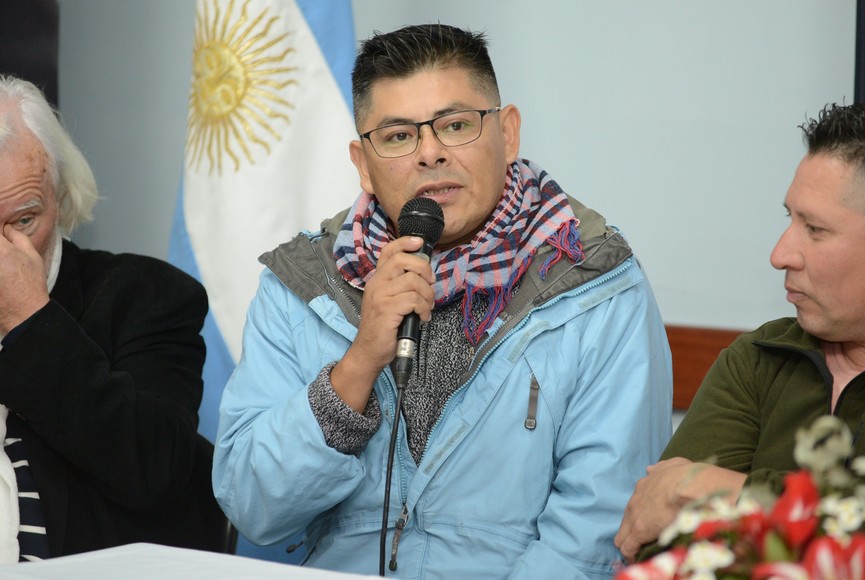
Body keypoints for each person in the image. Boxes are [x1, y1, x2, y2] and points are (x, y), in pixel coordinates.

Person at [213, 24, 672, 579]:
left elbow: (596, 534)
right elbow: (252, 508)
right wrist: (358, 364)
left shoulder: (595, 284)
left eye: (456, 126)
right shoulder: (304, 283)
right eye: (398, 136)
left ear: (508, 132)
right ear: (363, 163)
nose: (430, 154)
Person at [615, 102, 865, 562]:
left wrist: (712, 487)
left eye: (815, 229)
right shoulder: (758, 359)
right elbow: (659, 540)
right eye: (790, 219)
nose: (780, 254)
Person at [0, 75, 225, 561]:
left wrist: (30, 321)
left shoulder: (146, 296)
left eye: (23, 220)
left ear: (60, 199)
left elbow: (154, 470)